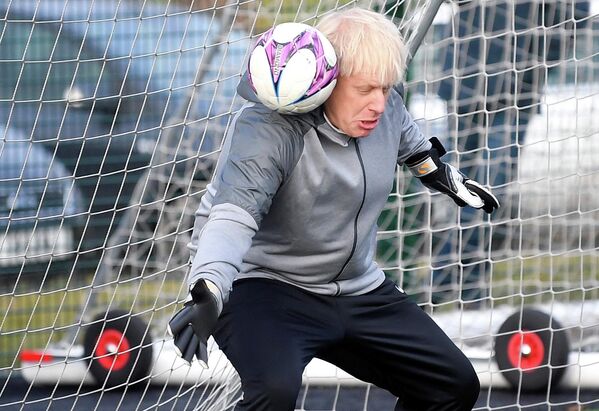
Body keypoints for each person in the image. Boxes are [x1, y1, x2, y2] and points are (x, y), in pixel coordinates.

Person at [168, 7, 499, 411]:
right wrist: (210, 288)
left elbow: (415, 150)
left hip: (357, 288)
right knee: (274, 392)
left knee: (453, 384)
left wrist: (448, 181)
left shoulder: (387, 108)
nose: (380, 103)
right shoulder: (270, 130)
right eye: (365, 89)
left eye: (386, 87)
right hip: (267, 287)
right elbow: (233, 216)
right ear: (327, 81)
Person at [432, 0, 590, 304]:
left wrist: (540, 55)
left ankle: (443, 282)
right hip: (464, 80)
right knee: (459, 191)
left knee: (489, 192)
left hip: (516, 89)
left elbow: (578, 12)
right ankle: (467, 291)